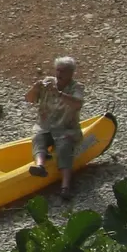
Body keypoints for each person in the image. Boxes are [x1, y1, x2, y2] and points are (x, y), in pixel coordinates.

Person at [25, 56, 85, 198]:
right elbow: (29, 99)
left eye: (63, 71)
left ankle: (65, 187)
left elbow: (78, 103)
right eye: (58, 70)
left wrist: (59, 94)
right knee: (38, 138)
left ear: (71, 73)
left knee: (64, 147)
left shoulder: (76, 87)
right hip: (46, 127)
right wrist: (35, 88)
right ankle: (40, 166)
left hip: (66, 129)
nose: (59, 74)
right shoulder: (48, 82)